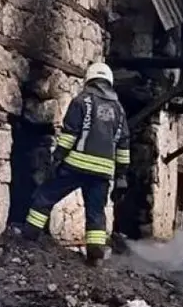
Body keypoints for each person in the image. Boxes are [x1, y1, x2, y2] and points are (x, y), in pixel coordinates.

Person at [22, 62, 130, 266]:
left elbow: (70, 134)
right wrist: (122, 175)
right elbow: (123, 144)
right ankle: (95, 254)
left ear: (89, 79)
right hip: (103, 173)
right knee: (96, 212)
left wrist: (57, 158)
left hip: (75, 166)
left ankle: (29, 236)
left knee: (46, 194)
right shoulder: (119, 110)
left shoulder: (82, 101)